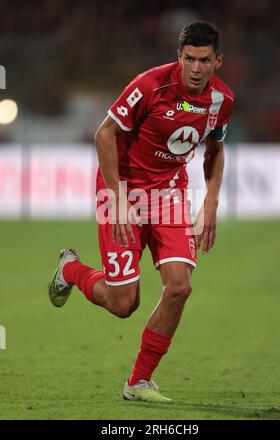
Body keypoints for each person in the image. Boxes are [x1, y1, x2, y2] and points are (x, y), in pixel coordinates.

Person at [48, 21, 234, 403]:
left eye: (204, 60)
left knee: (180, 286)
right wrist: (116, 199)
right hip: (124, 193)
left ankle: (138, 382)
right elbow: (104, 134)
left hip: (169, 195)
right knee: (123, 304)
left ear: (218, 60)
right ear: (178, 57)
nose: (195, 69)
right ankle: (70, 269)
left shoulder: (222, 101)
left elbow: (214, 151)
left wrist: (210, 203)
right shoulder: (150, 85)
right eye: (188, 59)